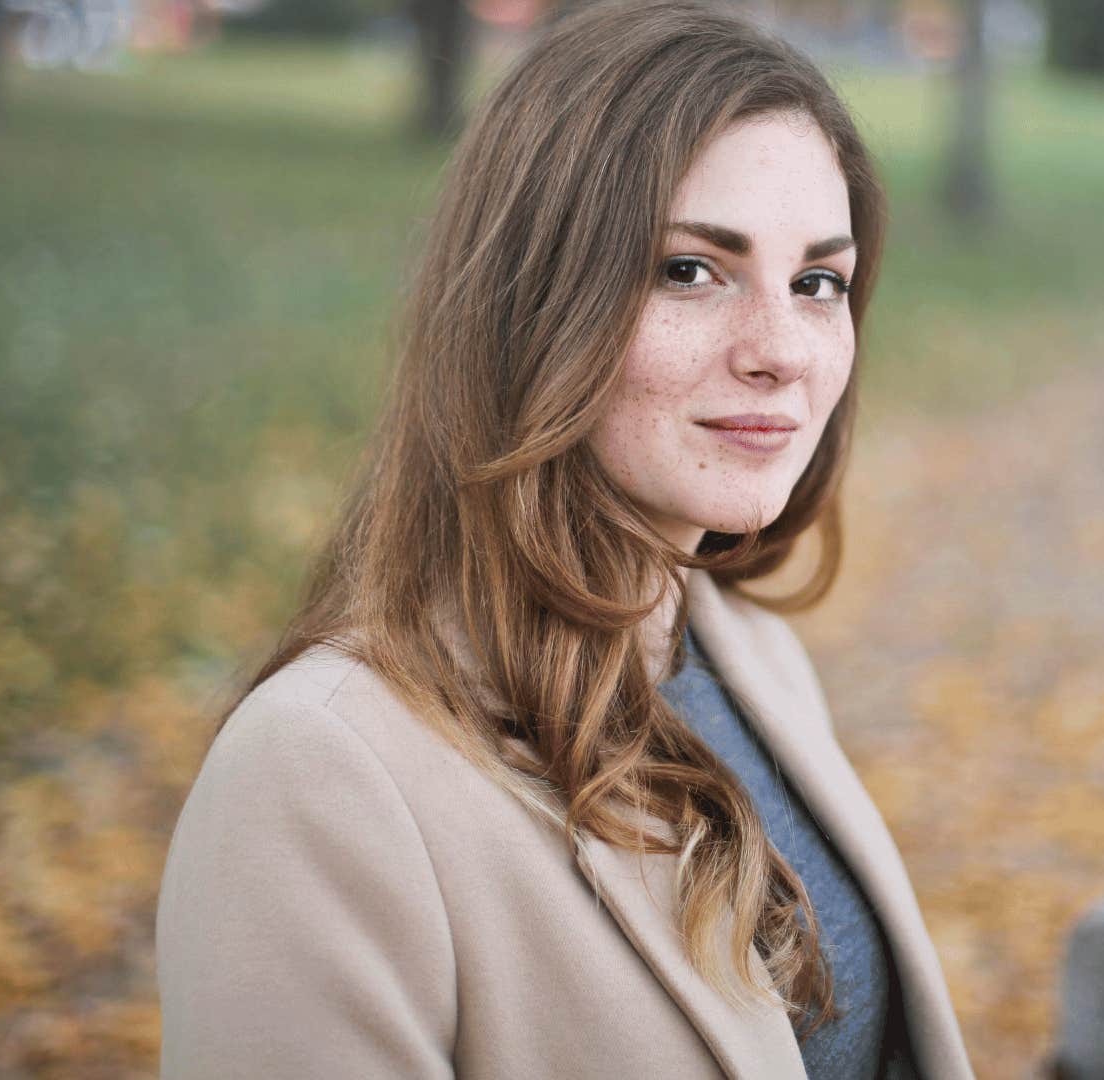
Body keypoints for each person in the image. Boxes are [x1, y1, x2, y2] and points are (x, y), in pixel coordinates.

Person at [154, 1, 975, 1077]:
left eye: (817, 281)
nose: (782, 350)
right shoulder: (321, 776)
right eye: (691, 270)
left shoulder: (741, 649)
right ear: (533, 304)